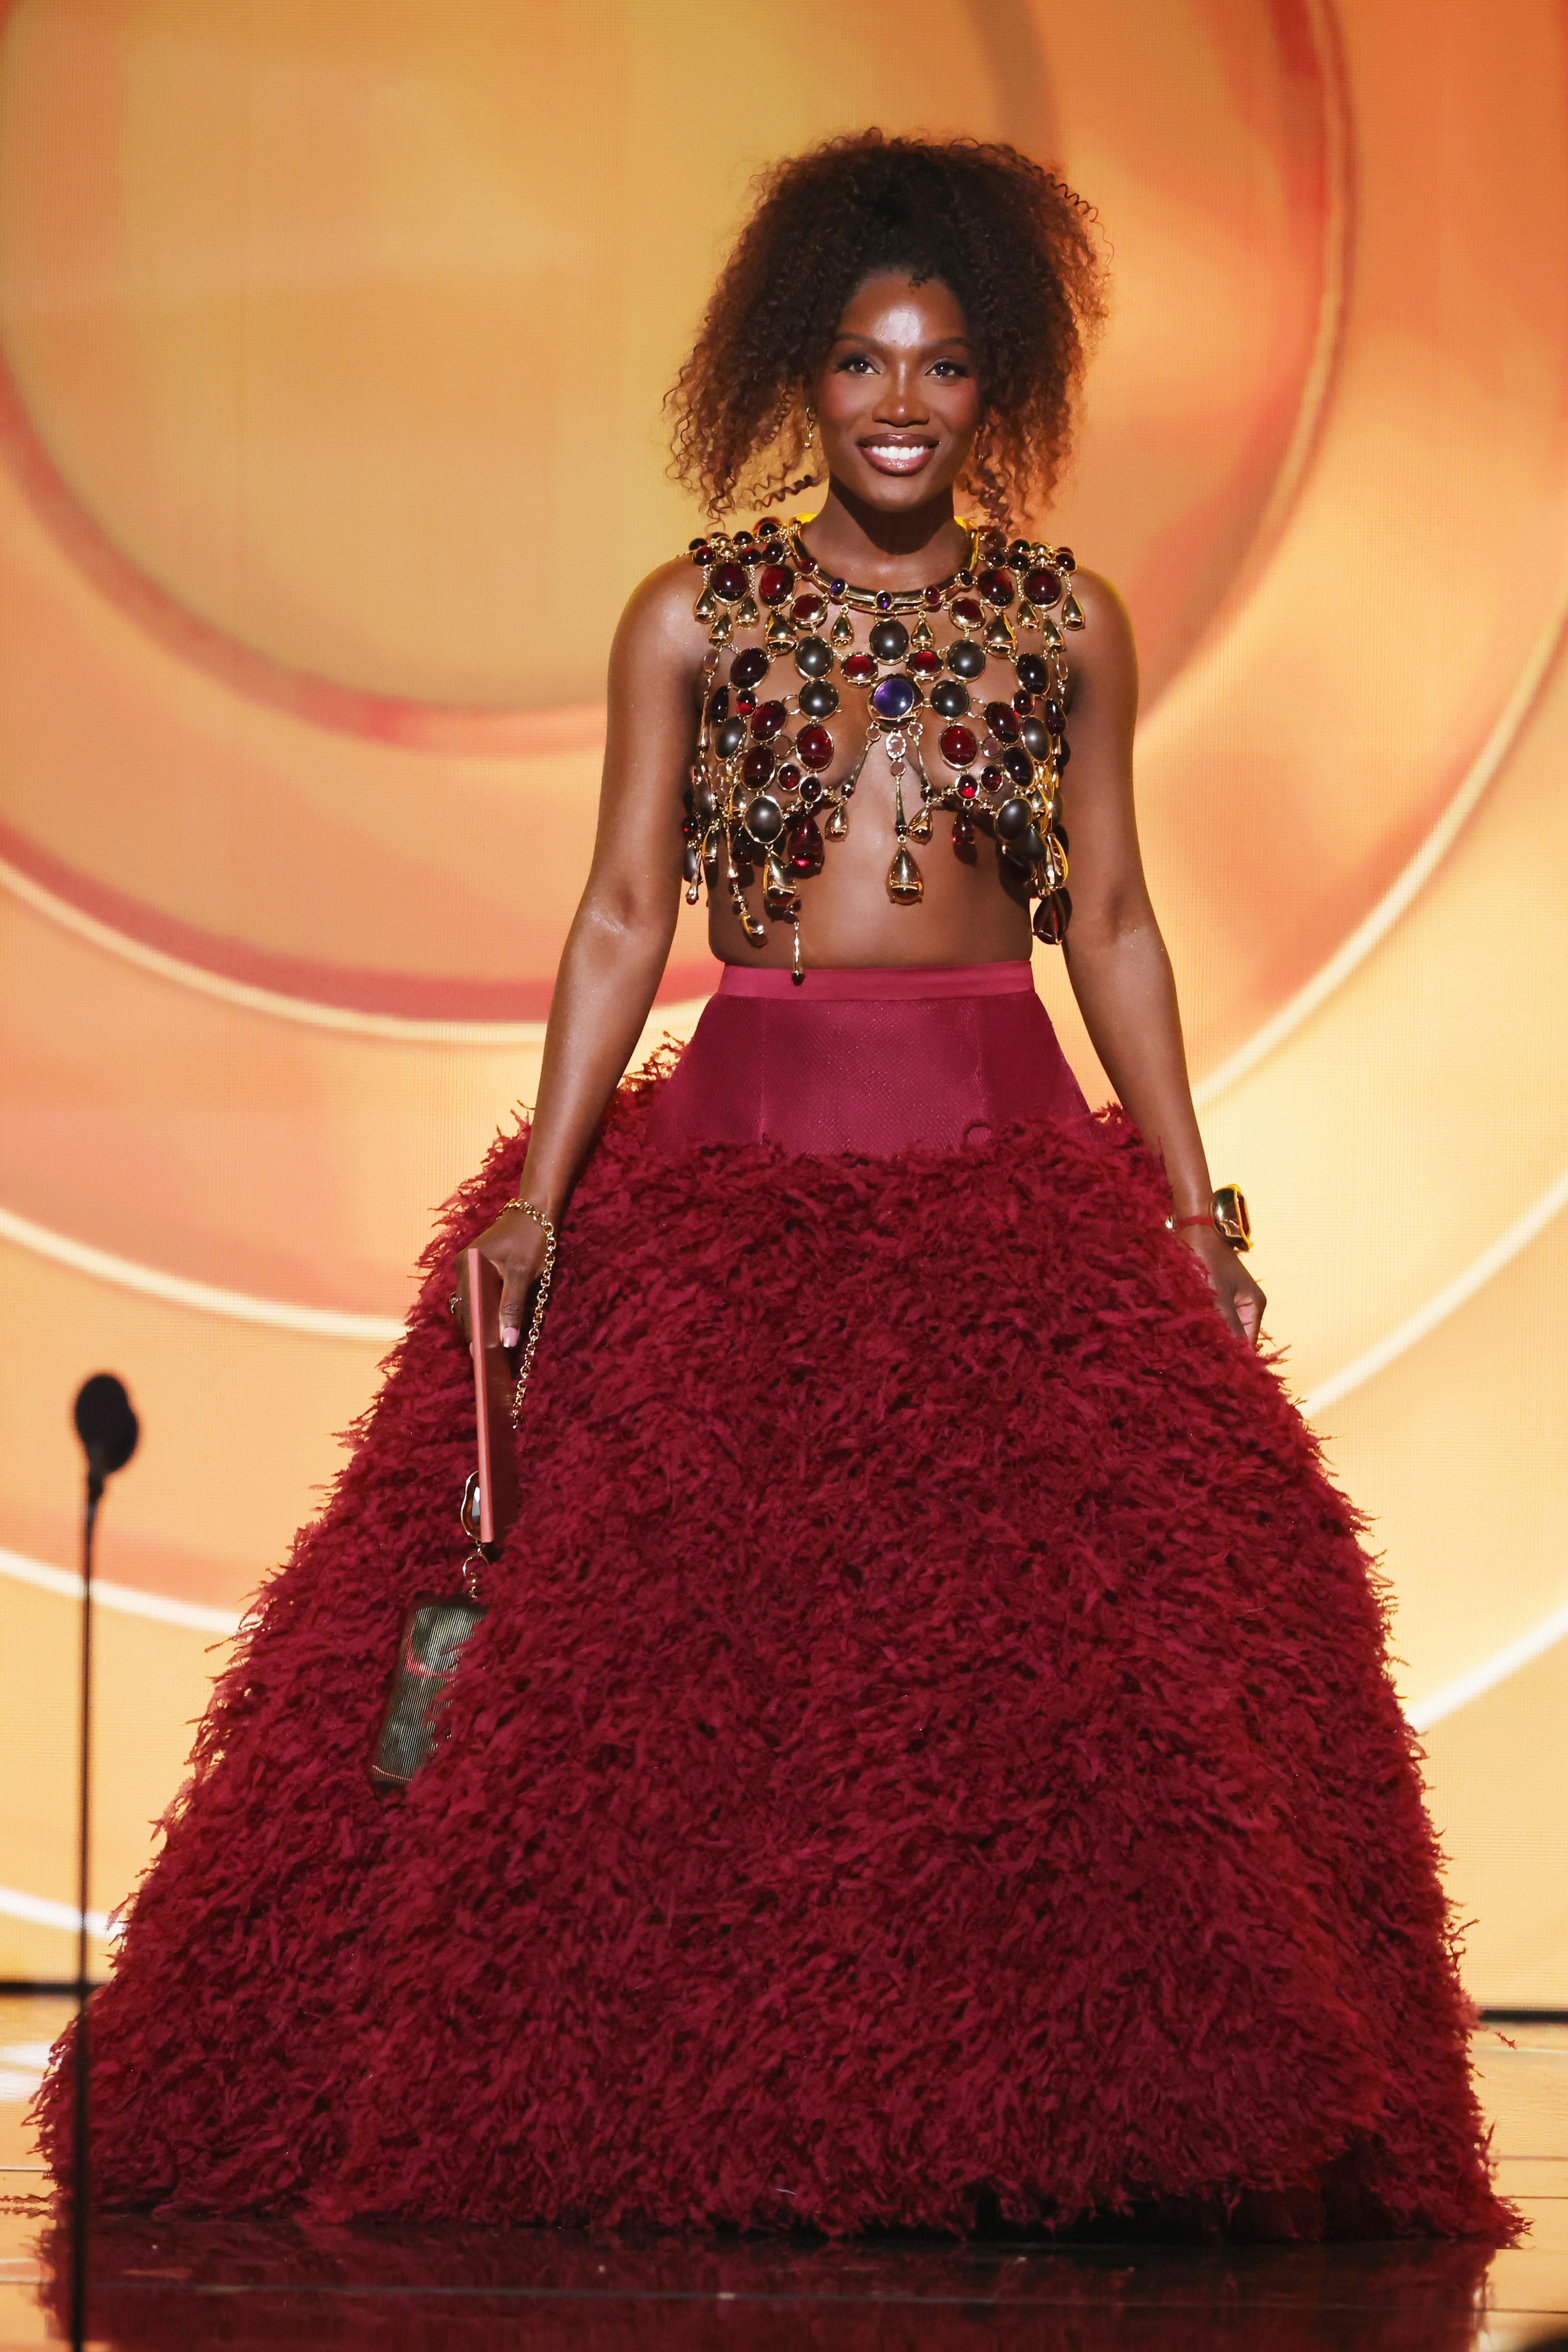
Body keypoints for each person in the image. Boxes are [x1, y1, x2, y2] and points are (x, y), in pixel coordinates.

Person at [38, 130, 1513, 2241]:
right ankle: (683, 2114)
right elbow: (627, 907)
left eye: (937, 361)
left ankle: (1052, 2121)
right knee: (677, 1687)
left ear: (992, 379)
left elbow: (1112, 919)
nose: (898, 399)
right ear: (796, 380)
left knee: (1063, 1690)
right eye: (857, 361)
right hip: (737, 1169)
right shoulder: (696, 613)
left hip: (1008, 1179)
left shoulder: (1061, 619)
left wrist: (1195, 1204)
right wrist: (540, 1192)